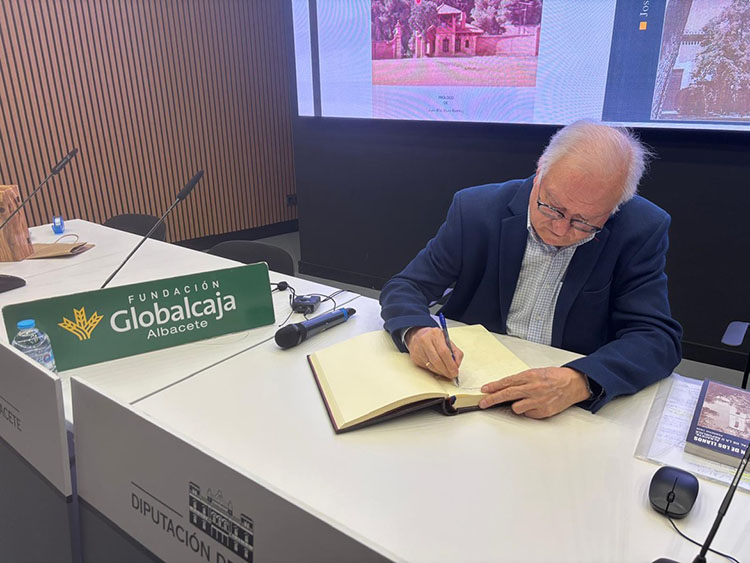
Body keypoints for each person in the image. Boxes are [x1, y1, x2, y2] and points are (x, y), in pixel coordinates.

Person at [379, 120, 682, 418]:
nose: (561, 230)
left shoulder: (640, 229)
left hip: (564, 404)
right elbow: (407, 286)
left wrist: (580, 380)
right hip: (469, 381)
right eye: (552, 208)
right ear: (539, 173)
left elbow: (657, 338)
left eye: (584, 222)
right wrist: (417, 331)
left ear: (615, 207)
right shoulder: (476, 210)